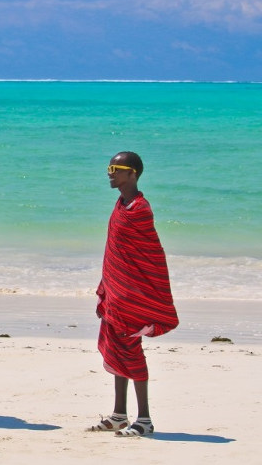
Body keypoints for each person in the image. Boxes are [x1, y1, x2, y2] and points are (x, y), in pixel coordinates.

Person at [89, 151, 178, 437]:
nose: (110, 172)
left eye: (116, 168)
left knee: (131, 351)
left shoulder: (140, 209)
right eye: (109, 168)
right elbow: (116, 251)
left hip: (133, 296)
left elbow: (151, 256)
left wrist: (141, 295)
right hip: (117, 293)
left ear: (133, 173)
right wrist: (108, 286)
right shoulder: (120, 203)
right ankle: (118, 415)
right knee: (117, 349)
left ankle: (145, 420)